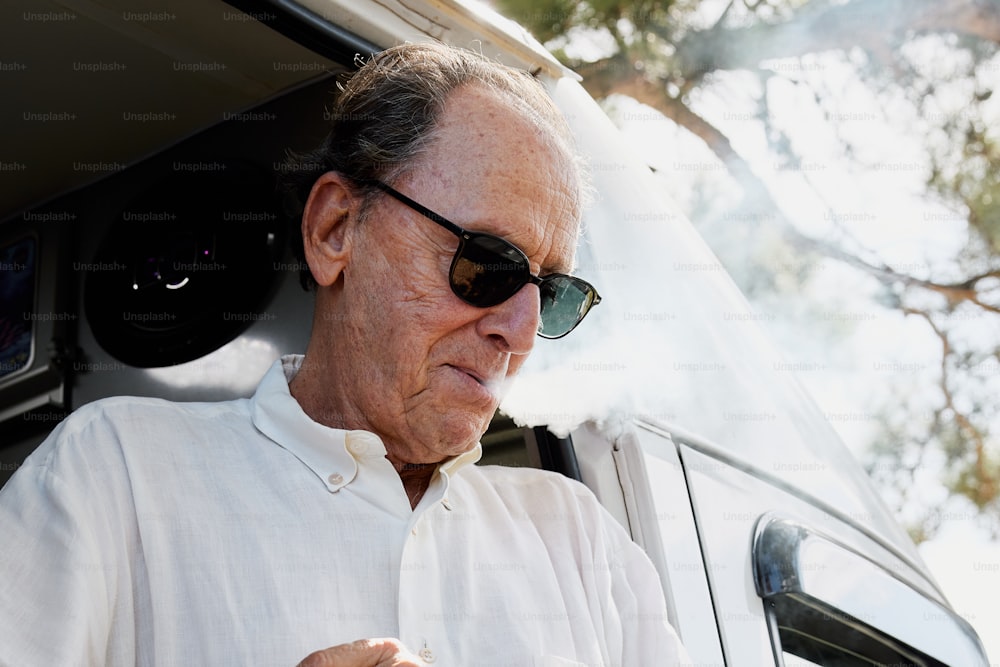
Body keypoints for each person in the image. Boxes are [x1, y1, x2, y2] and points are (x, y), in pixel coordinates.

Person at [0, 42, 690, 666]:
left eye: (553, 291)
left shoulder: (583, 549)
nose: (521, 327)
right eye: (488, 262)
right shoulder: (115, 476)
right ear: (335, 229)